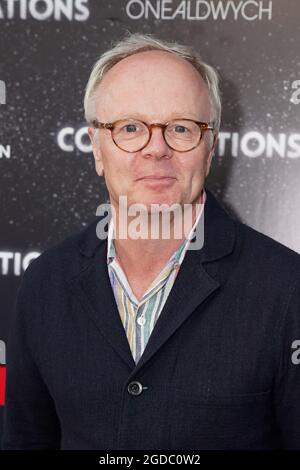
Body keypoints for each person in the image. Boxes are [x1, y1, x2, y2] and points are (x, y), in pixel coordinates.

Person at [2, 33, 300, 450]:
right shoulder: (45, 284)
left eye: (181, 127)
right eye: (130, 127)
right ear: (96, 148)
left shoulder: (287, 289)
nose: (155, 149)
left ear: (210, 146)